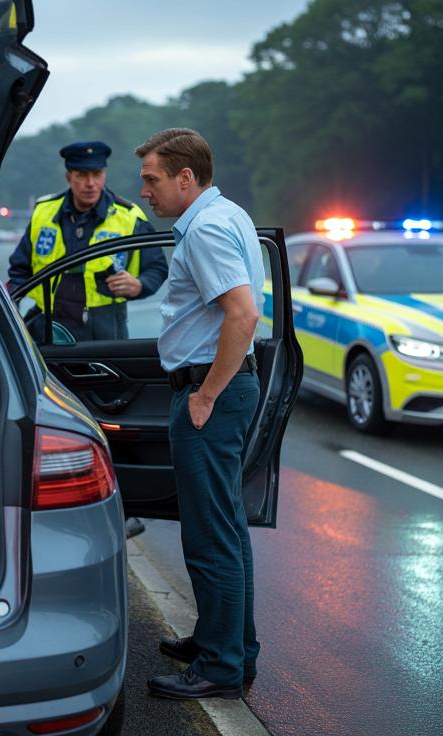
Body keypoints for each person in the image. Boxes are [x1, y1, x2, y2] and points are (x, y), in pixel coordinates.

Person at [135, 128, 264, 700]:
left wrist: (207, 394)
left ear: (186, 177)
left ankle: (219, 666)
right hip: (226, 385)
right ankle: (229, 646)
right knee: (228, 531)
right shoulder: (228, 214)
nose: (145, 192)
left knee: (211, 538)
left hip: (213, 389)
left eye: (152, 179)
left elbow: (242, 315)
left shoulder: (206, 228)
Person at [7, 140, 168, 341]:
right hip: (47, 325)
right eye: (81, 175)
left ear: (104, 175)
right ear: (69, 177)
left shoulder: (130, 217)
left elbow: (158, 268)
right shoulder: (43, 211)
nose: (90, 183)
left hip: (105, 327)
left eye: (97, 175)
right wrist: (12, 304)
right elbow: (19, 270)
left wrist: (139, 284)